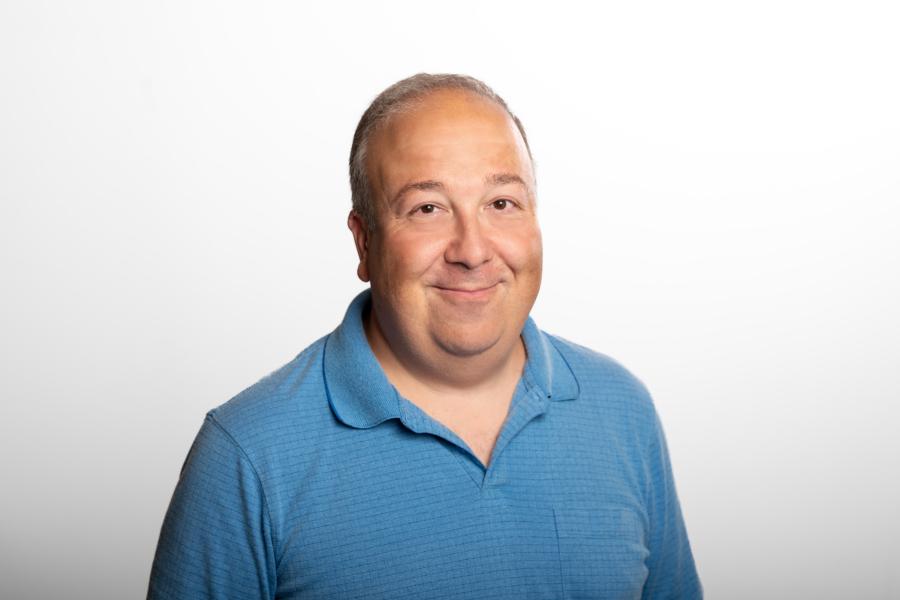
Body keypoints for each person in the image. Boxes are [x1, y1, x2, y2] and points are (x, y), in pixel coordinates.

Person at [147, 73, 702, 599]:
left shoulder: (621, 409)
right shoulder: (247, 455)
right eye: (427, 208)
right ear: (364, 244)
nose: (472, 250)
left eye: (501, 203)